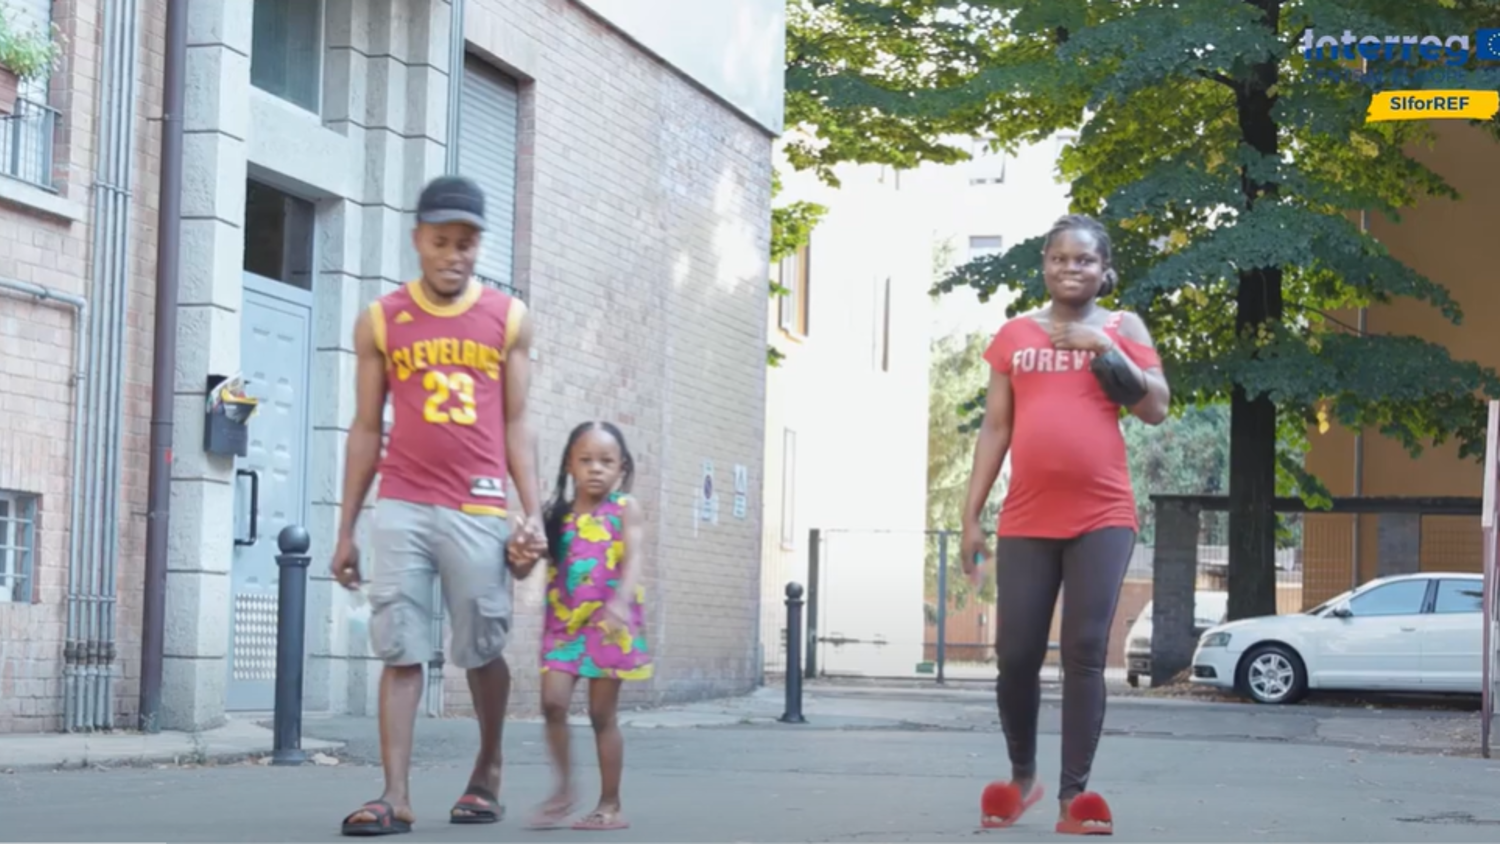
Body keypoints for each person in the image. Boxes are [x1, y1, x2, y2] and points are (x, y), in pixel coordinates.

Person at [330, 174, 548, 836]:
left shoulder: (507, 318)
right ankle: (394, 796)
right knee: (401, 646)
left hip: (478, 506)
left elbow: (516, 423)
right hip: (401, 502)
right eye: (442, 241)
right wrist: (347, 529)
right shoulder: (382, 319)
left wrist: (531, 513)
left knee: (481, 646)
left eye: (468, 243)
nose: (455, 254)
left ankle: (487, 772)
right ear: (419, 239)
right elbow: (367, 426)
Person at [960, 214, 1170, 835]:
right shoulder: (1014, 335)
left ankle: (1073, 800)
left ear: (1105, 271)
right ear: (1045, 266)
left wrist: (1104, 350)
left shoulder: (1121, 326)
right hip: (1026, 515)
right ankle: (1022, 778)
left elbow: (1156, 407)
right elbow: (996, 427)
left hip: (1103, 514)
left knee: (1082, 651)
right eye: (1060, 259)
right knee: (1016, 653)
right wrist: (970, 515)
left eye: (1084, 260)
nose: (1071, 268)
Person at [525, 421, 653, 832]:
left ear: (621, 467)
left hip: (608, 627)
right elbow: (530, 562)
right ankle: (563, 790)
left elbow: (632, 558)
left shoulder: (624, 508)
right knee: (552, 703)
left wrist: (619, 600)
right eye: (585, 460)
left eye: (606, 461)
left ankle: (610, 804)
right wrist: (518, 549)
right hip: (563, 626)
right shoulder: (556, 514)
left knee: (602, 715)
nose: (595, 468)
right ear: (569, 465)